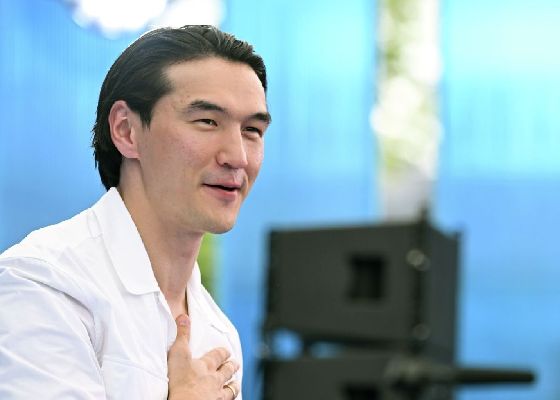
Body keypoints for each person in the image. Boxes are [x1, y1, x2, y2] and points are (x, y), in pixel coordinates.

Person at [0, 25, 271, 399]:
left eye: (253, 130)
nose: (237, 156)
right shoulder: (43, 283)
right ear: (126, 130)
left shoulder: (219, 334)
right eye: (208, 122)